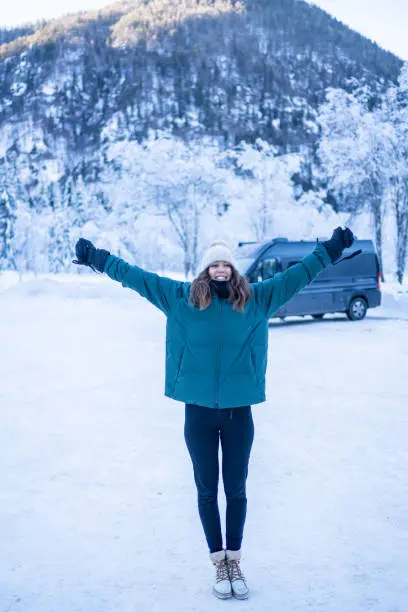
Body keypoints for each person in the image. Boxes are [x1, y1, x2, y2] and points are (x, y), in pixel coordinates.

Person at [73, 226, 354, 600]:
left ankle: (235, 559)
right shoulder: (180, 299)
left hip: (239, 413)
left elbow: (297, 275)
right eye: (214, 265)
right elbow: (136, 278)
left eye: (226, 264)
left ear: (234, 270)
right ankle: (218, 561)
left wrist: (331, 248)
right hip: (199, 413)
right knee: (207, 490)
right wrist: (97, 258)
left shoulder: (256, 299)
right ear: (204, 270)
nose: (220, 269)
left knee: (235, 489)